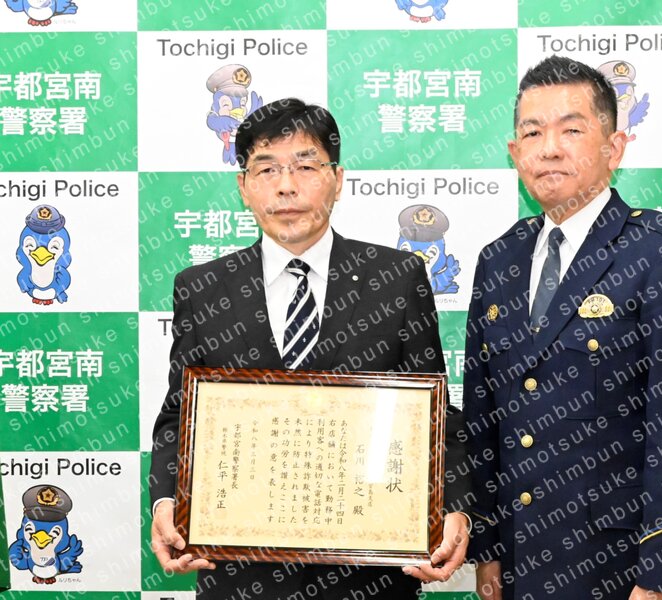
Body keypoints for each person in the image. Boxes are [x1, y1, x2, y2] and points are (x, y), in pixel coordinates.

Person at [149, 98, 470, 599]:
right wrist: (167, 501)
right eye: (267, 169)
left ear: (337, 180)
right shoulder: (203, 288)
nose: (286, 185)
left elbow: (435, 416)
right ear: (243, 187)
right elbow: (178, 416)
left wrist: (456, 508)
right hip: (242, 579)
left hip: (367, 579)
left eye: (305, 166)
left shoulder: (396, 279)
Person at [462, 56, 662, 600]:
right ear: (514, 152)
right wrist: (488, 549)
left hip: (624, 569)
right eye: (532, 132)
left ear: (614, 147)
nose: (549, 148)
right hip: (521, 565)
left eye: (571, 130)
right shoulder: (498, 260)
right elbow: (484, 421)